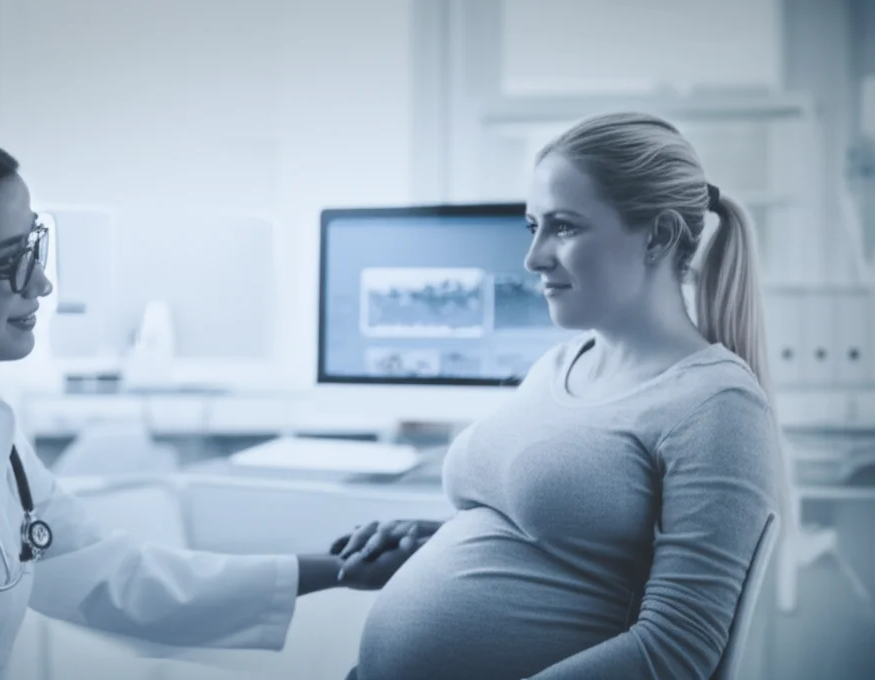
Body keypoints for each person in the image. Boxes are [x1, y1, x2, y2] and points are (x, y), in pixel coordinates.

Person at [0, 127, 419, 680]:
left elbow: (116, 577)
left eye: (34, 246)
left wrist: (343, 569)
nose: (43, 284)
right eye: (9, 264)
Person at [332, 112, 786, 680]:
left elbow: (677, 650)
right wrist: (438, 540)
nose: (533, 257)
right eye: (533, 227)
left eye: (565, 227)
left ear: (660, 235)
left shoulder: (715, 403)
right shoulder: (562, 362)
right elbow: (562, 540)